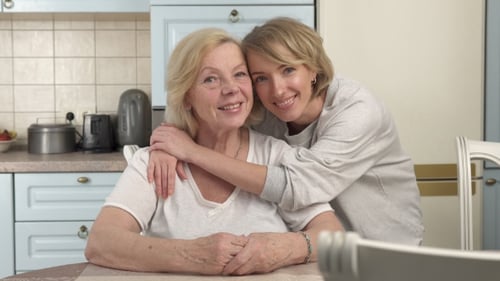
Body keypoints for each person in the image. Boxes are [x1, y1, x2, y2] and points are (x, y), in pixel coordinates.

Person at [85, 27, 343, 276]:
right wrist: (192, 254)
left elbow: (333, 236)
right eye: (211, 79)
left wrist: (282, 248)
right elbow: (101, 243)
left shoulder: (274, 155)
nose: (231, 88)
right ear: (186, 96)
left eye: (240, 74)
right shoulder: (153, 162)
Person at [148, 17, 424, 246]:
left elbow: (299, 186)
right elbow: (210, 116)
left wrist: (192, 152)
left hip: (385, 249)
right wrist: (168, 142)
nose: (278, 90)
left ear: (313, 68)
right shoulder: (266, 110)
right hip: (323, 252)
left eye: (288, 70)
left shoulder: (359, 110)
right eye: (261, 78)